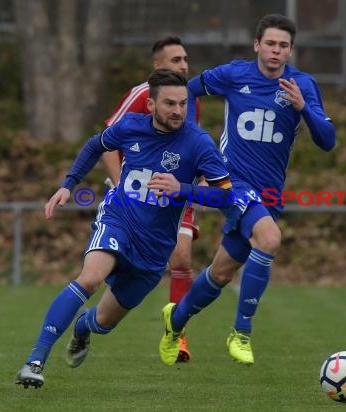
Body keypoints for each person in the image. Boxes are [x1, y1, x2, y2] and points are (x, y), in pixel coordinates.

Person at [15, 69, 232, 389]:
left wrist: (184, 189)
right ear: (151, 106)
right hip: (120, 219)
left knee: (104, 322)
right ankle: (35, 361)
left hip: (155, 248)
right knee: (90, 277)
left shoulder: (197, 142)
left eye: (183, 104)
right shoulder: (130, 127)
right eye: (170, 104)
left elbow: (226, 193)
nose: (178, 111)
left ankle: (82, 329)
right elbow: (94, 146)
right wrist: (69, 185)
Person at [158, 14, 336, 366]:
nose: (275, 51)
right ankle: (241, 331)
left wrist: (303, 108)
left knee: (220, 273)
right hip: (232, 183)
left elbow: (328, 141)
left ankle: (174, 321)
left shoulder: (302, 84)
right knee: (269, 239)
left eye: (283, 46)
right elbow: (186, 91)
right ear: (257, 44)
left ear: (291, 50)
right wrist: (191, 141)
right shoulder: (234, 74)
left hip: (269, 195)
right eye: (270, 43)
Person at [103, 36, 201, 362]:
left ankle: (177, 334)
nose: (184, 65)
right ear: (157, 67)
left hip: (175, 195)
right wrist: (121, 188)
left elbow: (191, 146)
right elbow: (105, 141)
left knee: (183, 257)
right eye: (176, 60)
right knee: (118, 267)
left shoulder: (188, 100)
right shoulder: (140, 94)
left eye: (185, 59)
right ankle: (96, 314)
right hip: (136, 193)